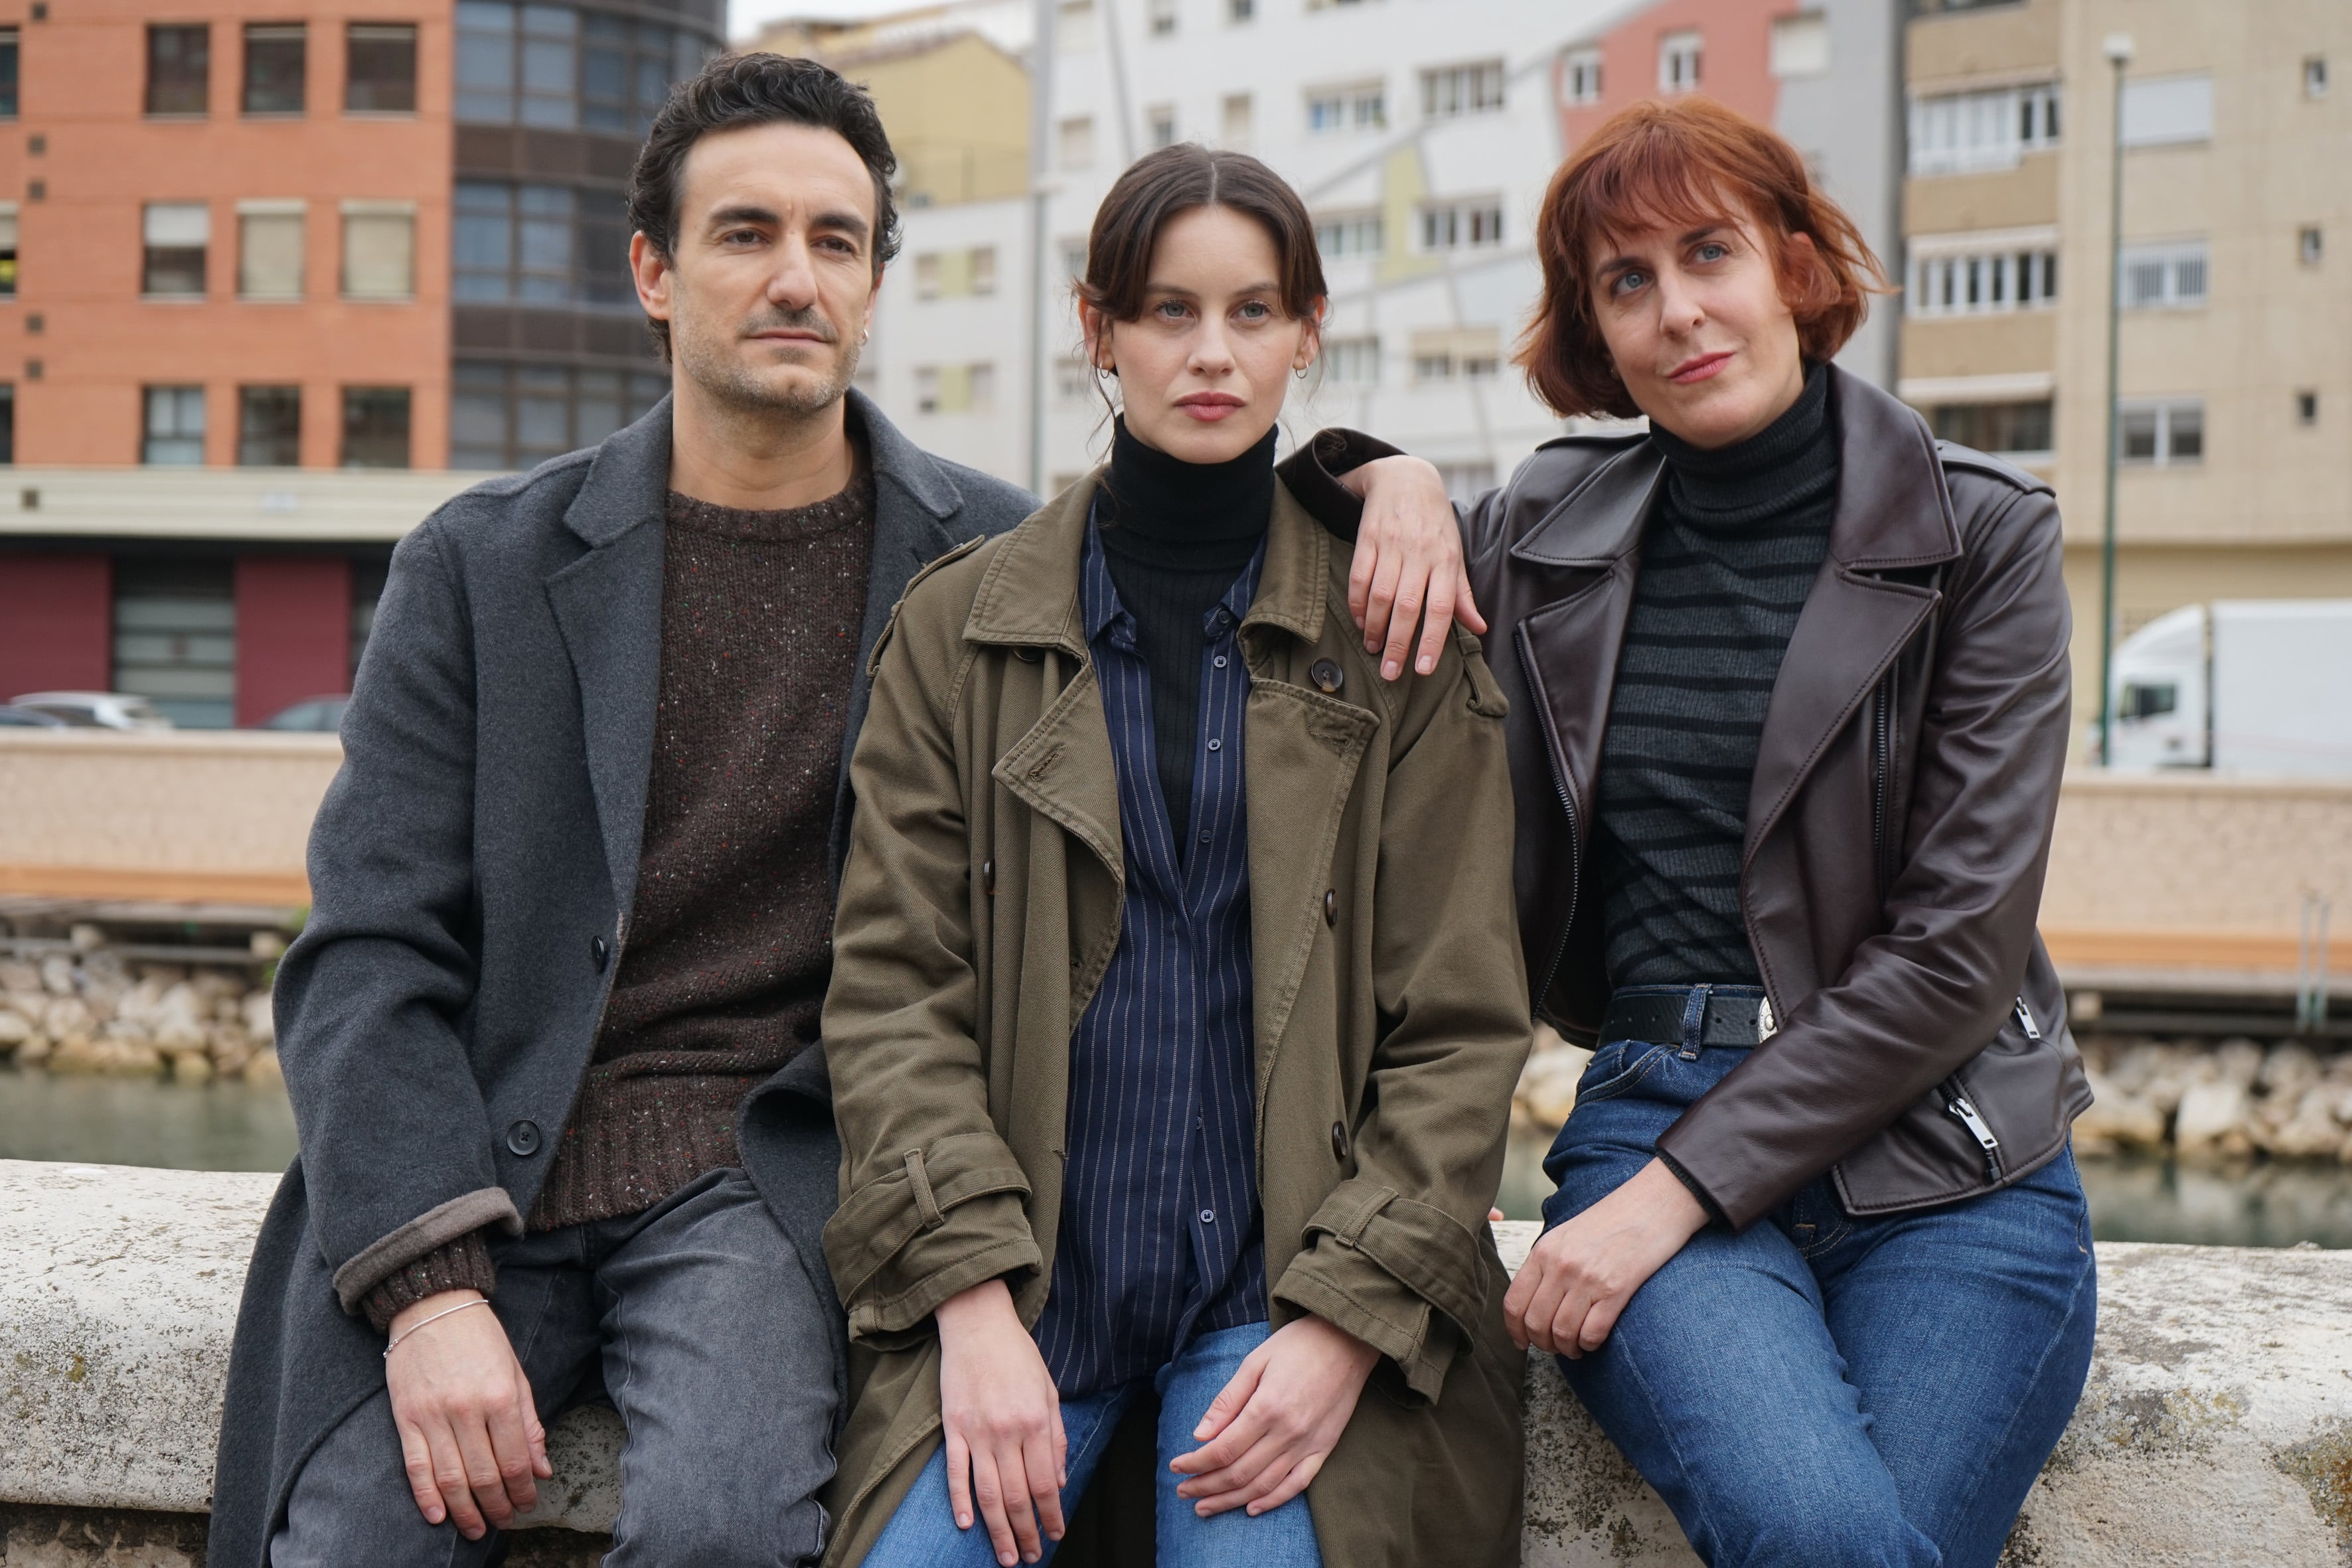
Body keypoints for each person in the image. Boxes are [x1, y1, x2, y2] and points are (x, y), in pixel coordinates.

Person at [209, 54, 1037, 1568]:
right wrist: (431, 1287)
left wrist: (1368, 477)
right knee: (350, 1542)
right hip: (482, 1164)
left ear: (870, 282)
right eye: (745, 234)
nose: (795, 278)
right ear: (653, 271)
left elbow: (1212, 525)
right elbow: (364, 954)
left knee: (725, 1528)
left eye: (835, 242)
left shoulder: (991, 560)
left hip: (765, 1169)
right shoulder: (479, 563)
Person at [1274, 97, 2096, 1568]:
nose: (1676, 311)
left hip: (1950, 1157)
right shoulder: (1541, 526)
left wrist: (1669, 1198)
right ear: (1594, 329)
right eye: (1624, 281)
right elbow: (1277, 527)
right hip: (1655, 1088)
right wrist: (1379, 470)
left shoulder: (1980, 535)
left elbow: (1958, 952)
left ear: (1790, 263)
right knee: (1812, 1526)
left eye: (1706, 252)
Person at [815, 143, 1532, 1568]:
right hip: (1027, 1290)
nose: (1211, 354)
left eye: (1253, 313)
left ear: (1306, 332)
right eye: (1166, 312)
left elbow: (1456, 1032)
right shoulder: (957, 631)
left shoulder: (1394, 636)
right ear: (1098, 330)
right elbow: (895, 995)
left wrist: (1342, 1323)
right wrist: (967, 1301)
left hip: (1279, 1295)